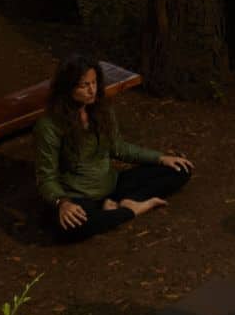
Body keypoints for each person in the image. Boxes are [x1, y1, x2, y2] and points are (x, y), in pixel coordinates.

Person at [33, 52, 193, 242]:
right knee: (72, 227)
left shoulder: (102, 110)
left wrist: (160, 157)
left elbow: (119, 148)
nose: (92, 90)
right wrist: (62, 203)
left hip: (113, 185)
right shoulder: (49, 125)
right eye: (84, 85)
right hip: (79, 197)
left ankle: (118, 203)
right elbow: (46, 177)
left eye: (94, 83)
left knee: (180, 169)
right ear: (67, 88)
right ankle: (132, 209)